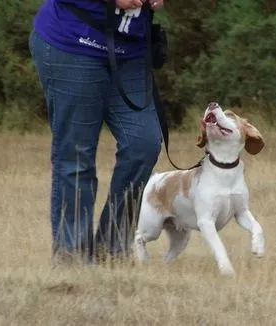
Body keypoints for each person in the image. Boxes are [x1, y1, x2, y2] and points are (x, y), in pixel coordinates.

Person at [28, 0, 165, 265]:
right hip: (73, 43)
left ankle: (110, 250)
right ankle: (73, 256)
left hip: (130, 51)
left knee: (144, 142)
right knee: (76, 155)